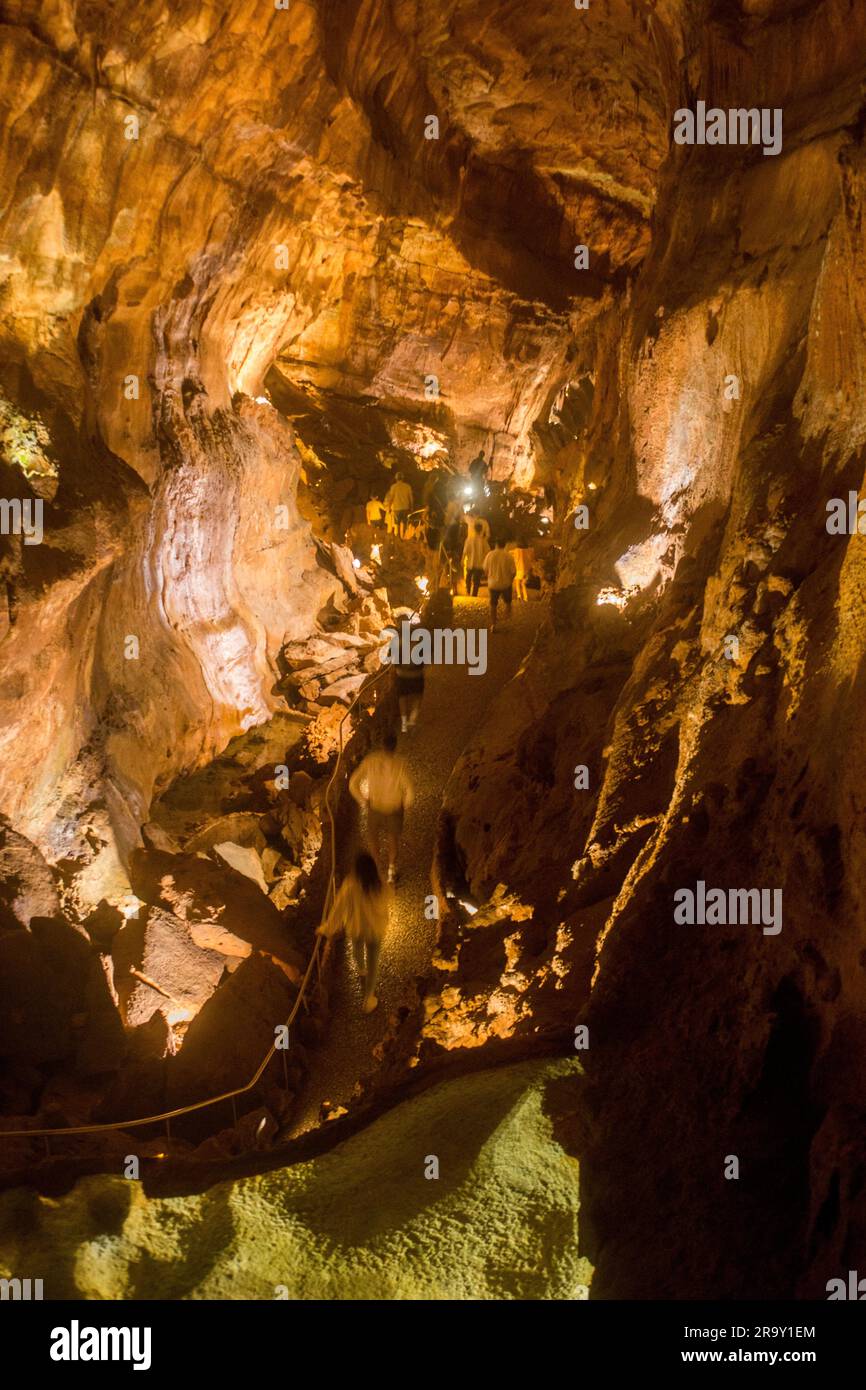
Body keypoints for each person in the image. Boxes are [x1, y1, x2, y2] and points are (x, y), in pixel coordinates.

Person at [317, 852, 389, 1013]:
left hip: (356, 927)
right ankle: (369, 997)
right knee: (373, 961)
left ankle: (361, 969)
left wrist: (327, 928)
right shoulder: (378, 883)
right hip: (375, 928)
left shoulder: (349, 885)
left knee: (357, 949)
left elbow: (338, 908)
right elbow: (388, 898)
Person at [349, 731, 414, 882]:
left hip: (375, 807)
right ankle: (391, 870)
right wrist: (405, 804)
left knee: (373, 839)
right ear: (395, 746)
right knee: (393, 839)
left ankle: (378, 869)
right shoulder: (400, 765)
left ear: (381, 745)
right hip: (394, 808)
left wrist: (363, 801)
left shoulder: (370, 761)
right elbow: (410, 790)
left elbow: (353, 783)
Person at [483, 536, 516, 629]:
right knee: (508, 603)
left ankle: (493, 624)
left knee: (493, 605)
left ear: (496, 545)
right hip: (506, 584)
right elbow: (513, 572)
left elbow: (485, 569)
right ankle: (506, 620)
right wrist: (510, 580)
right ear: (504, 545)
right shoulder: (509, 556)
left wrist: (489, 577)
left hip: (493, 584)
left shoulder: (490, 555)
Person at [462, 520, 489, 598]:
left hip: (470, 562)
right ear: (481, 530)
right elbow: (487, 552)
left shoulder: (469, 539)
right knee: (476, 580)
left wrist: (462, 559)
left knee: (468, 577)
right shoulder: (483, 541)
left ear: (474, 529)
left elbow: (465, 551)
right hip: (479, 563)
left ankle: (468, 590)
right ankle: (474, 594)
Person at [384, 472, 413, 538]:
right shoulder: (407, 486)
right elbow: (411, 497)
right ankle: (403, 536)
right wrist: (411, 507)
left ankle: (398, 537)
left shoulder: (393, 487)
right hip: (406, 507)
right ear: (403, 478)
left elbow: (391, 498)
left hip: (397, 508)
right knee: (404, 523)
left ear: (396, 478)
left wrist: (389, 507)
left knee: (397, 524)